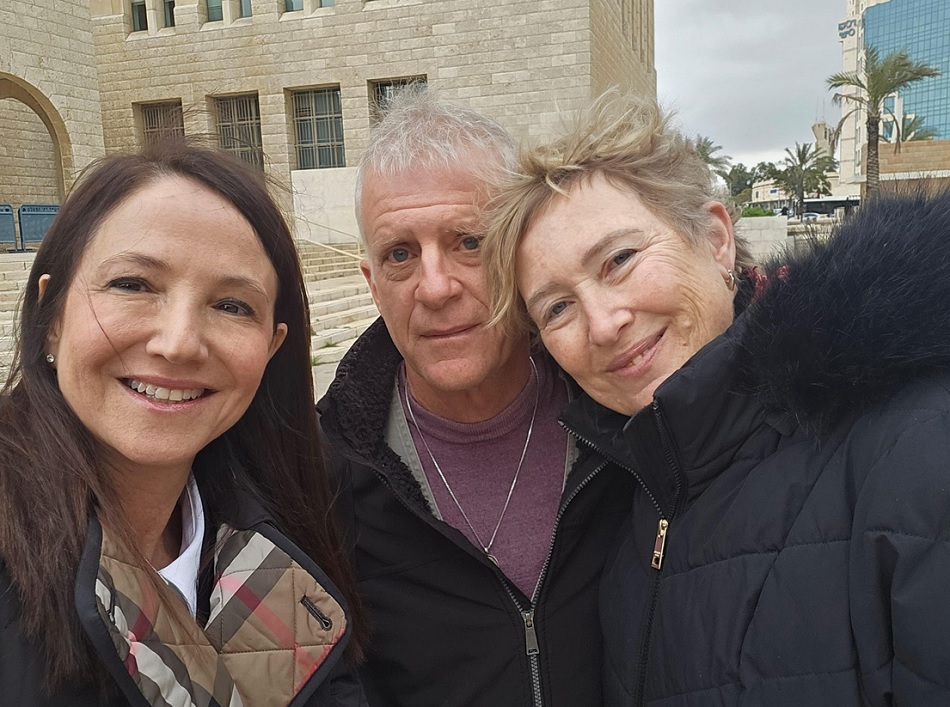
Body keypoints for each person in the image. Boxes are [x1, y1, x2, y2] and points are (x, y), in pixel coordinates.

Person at [484, 92, 950, 706]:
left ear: (715, 239)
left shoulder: (916, 453)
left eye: (619, 260)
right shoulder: (624, 501)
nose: (603, 324)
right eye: (557, 308)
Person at [0, 140, 366, 706]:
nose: (178, 343)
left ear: (271, 349)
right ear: (51, 316)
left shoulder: (294, 530)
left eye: (232, 306)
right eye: (133, 285)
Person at [318, 90, 635, 706]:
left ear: (519, 251)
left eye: (468, 242)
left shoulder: (626, 418)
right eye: (400, 255)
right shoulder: (322, 477)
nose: (435, 288)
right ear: (373, 284)